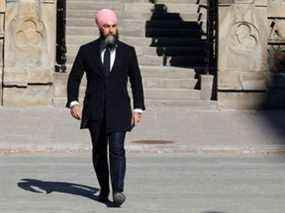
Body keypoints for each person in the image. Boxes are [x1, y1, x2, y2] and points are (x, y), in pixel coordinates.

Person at [65, 9, 145, 206]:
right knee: (99, 151)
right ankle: (105, 188)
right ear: (99, 28)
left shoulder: (128, 51)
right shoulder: (86, 50)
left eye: (113, 26)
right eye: (106, 26)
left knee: (117, 149)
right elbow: (74, 78)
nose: (111, 30)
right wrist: (73, 102)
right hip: (95, 109)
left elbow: (136, 81)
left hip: (119, 109)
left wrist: (138, 108)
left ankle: (118, 191)